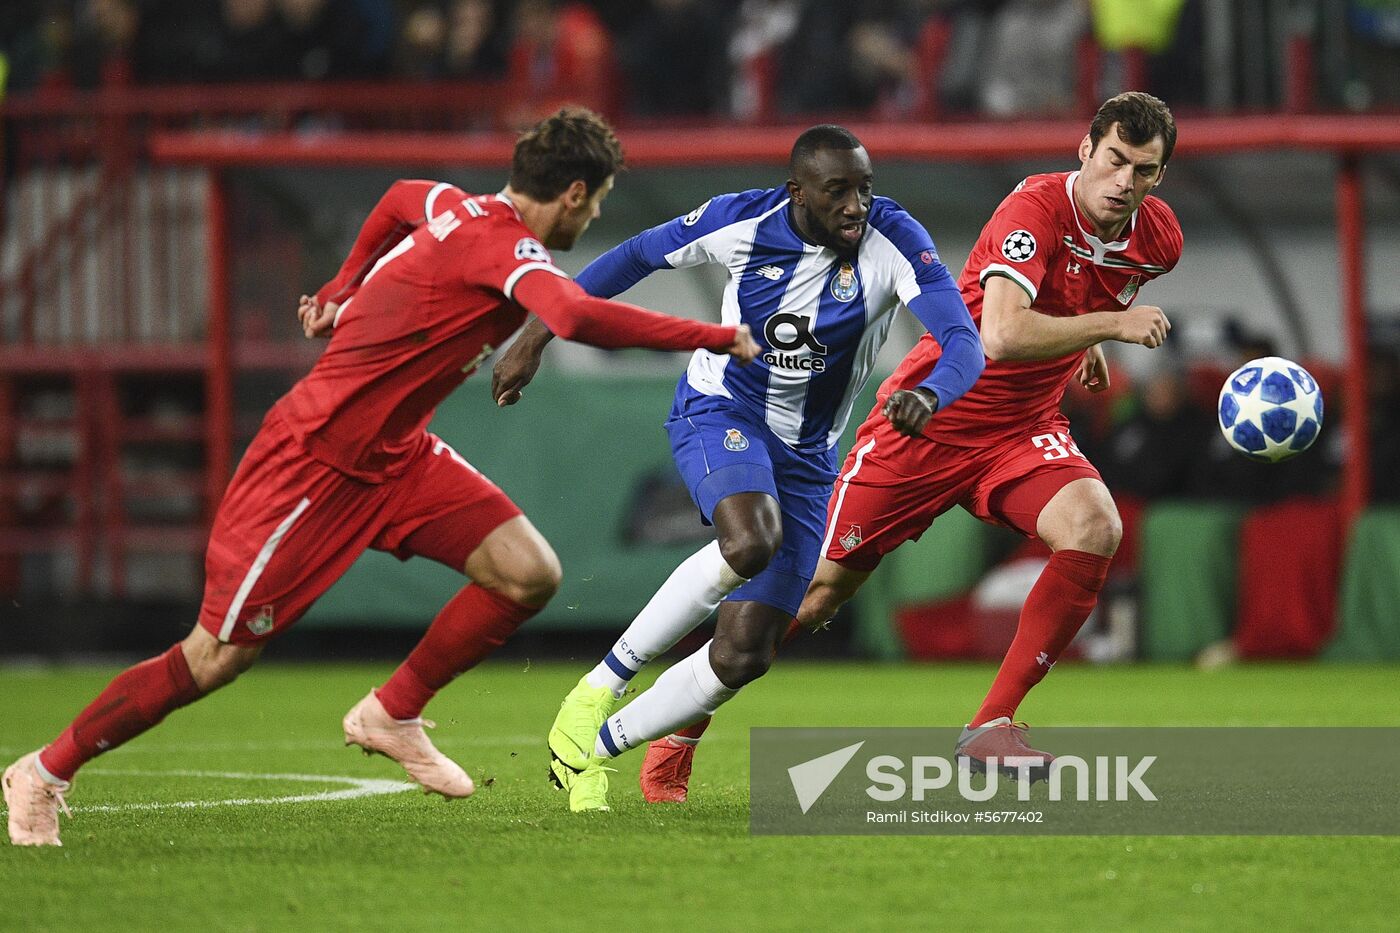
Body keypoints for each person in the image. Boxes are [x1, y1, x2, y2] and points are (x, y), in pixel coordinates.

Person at [3, 107, 761, 847]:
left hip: (396, 456)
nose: (592, 217)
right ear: (572, 193)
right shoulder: (508, 249)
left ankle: (392, 713)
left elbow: (402, 195)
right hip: (312, 465)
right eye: (596, 202)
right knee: (217, 657)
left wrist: (341, 285)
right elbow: (574, 316)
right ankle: (44, 769)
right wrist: (716, 337)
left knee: (526, 573)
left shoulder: (452, 206)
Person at [639, 91, 1183, 798]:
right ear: (1085, 151)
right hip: (930, 419)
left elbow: (1089, 294)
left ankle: (992, 724)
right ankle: (679, 729)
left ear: (1159, 176)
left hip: (1024, 428)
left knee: (1094, 524)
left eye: (1144, 170)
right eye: (1115, 161)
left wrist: (1090, 336)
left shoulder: (1159, 237)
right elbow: (1003, 334)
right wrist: (1109, 329)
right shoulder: (1033, 211)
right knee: (811, 597)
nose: (1126, 183)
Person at [492, 124, 986, 811]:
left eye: (864, 189)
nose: (855, 206)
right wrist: (537, 331)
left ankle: (592, 746)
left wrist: (930, 391)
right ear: (798, 193)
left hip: (810, 459)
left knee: (744, 652)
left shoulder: (895, 239)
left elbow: (964, 340)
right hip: (722, 412)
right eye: (837, 191)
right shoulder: (741, 220)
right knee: (751, 542)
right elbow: (636, 255)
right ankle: (599, 685)